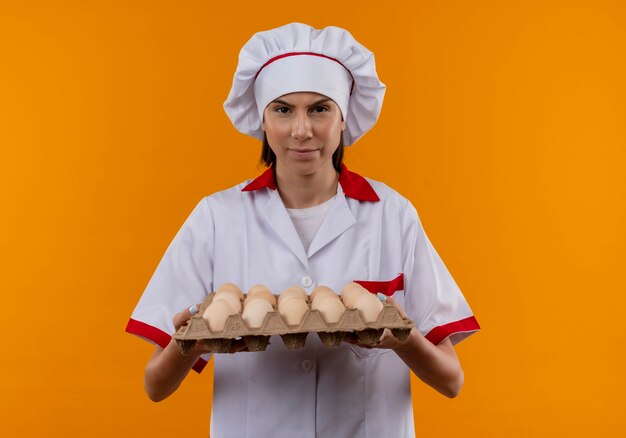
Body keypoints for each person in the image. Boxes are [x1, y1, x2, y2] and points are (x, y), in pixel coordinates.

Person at [126, 22, 480, 438]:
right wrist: (193, 345)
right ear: (262, 118)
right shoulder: (216, 218)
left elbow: (451, 381)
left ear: (344, 117)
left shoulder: (393, 215)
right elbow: (155, 385)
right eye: (283, 109)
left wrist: (403, 340)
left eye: (319, 108)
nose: (301, 130)